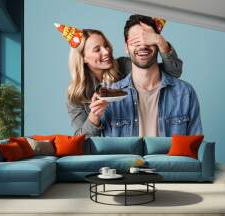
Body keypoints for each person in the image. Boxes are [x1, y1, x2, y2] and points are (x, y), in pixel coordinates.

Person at [54, 21, 184, 137]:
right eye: (97, 49)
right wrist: (94, 116)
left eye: (106, 45)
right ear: (83, 58)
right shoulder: (76, 96)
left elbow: (173, 72)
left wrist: (160, 42)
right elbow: (80, 139)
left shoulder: (125, 66)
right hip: (109, 151)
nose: (106, 52)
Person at [100, 15, 202, 137]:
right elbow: (105, 150)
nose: (143, 46)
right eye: (136, 41)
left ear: (158, 44)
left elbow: (194, 147)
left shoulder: (185, 93)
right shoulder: (111, 97)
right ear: (126, 47)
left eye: (148, 40)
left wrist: (159, 40)